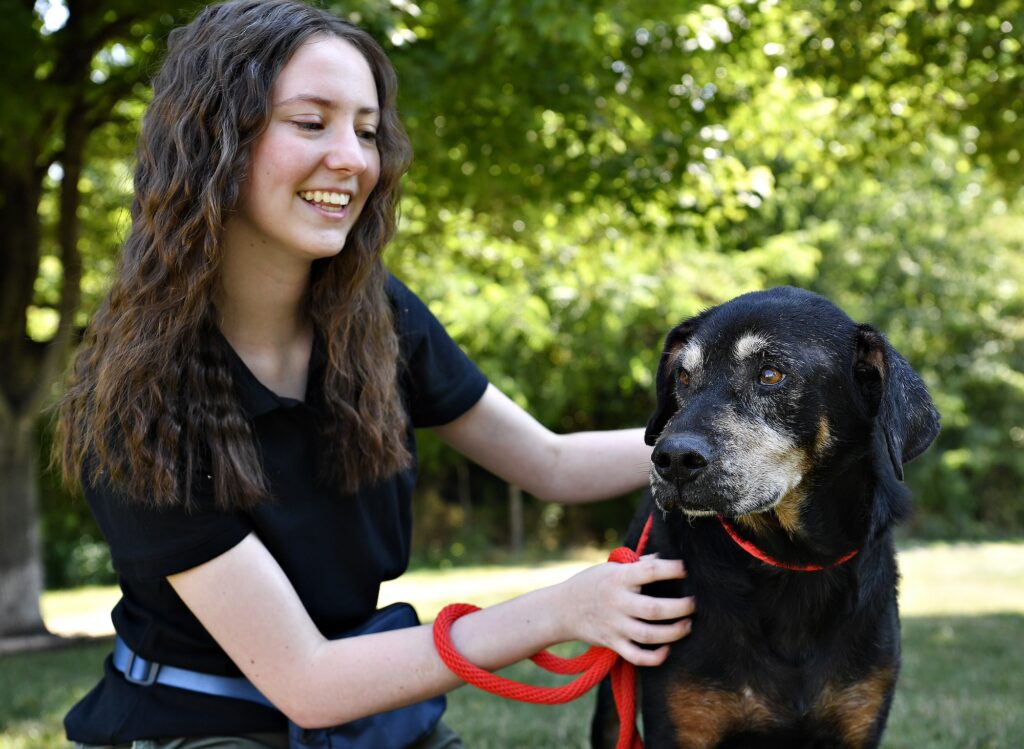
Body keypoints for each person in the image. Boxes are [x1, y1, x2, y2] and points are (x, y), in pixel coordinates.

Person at [55, 1, 695, 747]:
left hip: (368, 715)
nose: (355, 159)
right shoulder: (135, 396)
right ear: (213, 142)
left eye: (366, 130)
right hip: (202, 726)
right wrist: (562, 608)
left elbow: (549, 462)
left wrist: (729, 447)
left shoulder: (380, 318)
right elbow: (311, 680)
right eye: (310, 122)